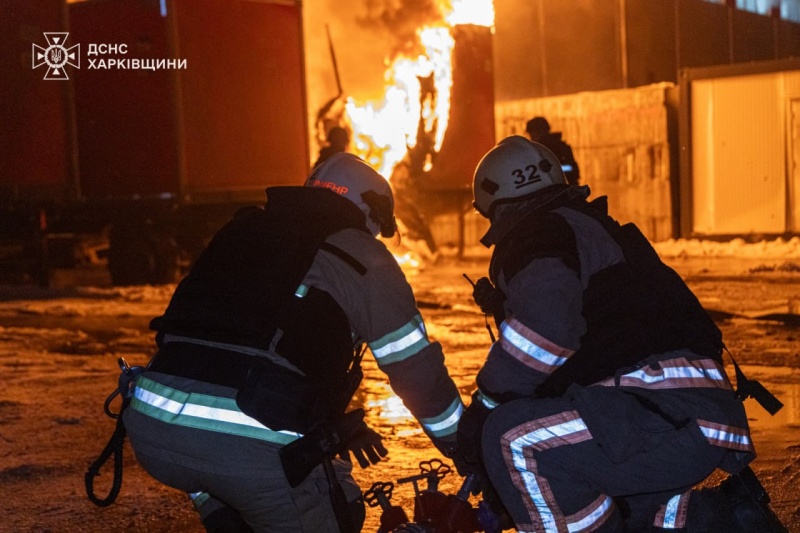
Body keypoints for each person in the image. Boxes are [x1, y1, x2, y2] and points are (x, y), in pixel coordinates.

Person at [457, 136, 787, 532]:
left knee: (512, 439)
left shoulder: (538, 234)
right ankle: (729, 519)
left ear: (495, 205)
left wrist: (487, 404)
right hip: (691, 415)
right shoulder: (589, 228)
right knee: (621, 512)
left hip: (654, 411)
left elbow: (547, 332)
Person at [122, 152, 466, 532]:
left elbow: (244, 340)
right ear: (371, 211)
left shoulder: (243, 231)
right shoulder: (361, 254)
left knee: (227, 489)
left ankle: (224, 515)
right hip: (244, 449)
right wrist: (464, 446)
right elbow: (415, 371)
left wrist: (328, 421)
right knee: (342, 508)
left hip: (154, 429)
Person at [525, 116, 581, 186]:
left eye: (532, 134)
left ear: (539, 132)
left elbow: (570, 169)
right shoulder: (561, 146)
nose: (531, 138)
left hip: (560, 187)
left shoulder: (541, 149)